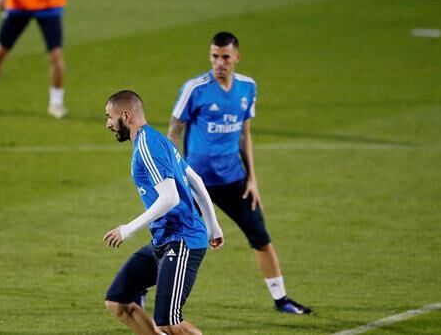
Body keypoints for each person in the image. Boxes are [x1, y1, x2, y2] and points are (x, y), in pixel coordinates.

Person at [167, 31, 312, 315]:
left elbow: (245, 133)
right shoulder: (195, 89)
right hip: (195, 182)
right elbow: (174, 131)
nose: (219, 63)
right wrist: (175, 177)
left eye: (225, 57)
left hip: (234, 180)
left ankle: (281, 299)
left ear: (236, 57)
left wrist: (253, 179)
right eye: (214, 57)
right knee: (172, 239)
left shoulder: (248, 87)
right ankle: (141, 290)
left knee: (260, 237)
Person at [103, 90, 224, 335]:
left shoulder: (147, 146)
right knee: (118, 301)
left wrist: (127, 230)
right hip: (163, 240)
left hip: (182, 240)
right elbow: (196, 181)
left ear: (126, 116)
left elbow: (170, 198)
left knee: (169, 322)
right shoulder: (157, 140)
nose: (108, 124)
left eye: (109, 117)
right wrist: (214, 227)